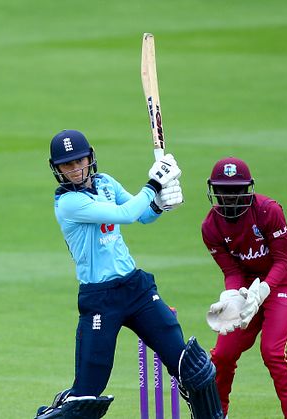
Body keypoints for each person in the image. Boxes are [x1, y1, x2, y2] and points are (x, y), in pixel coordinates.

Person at [34, 129, 223, 419]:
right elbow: (125, 215)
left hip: (136, 290)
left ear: (90, 157)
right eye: (67, 165)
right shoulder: (68, 203)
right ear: (57, 168)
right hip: (100, 300)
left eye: (79, 161)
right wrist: (154, 184)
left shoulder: (105, 182)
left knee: (192, 368)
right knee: (85, 398)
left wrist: (159, 202)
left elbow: (143, 215)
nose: (74, 169)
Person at [201, 157, 287, 419]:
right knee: (224, 354)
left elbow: (283, 260)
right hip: (247, 286)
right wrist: (230, 297)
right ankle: (218, 415)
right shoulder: (211, 227)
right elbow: (232, 271)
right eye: (224, 191)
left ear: (247, 189)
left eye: (236, 190)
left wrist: (264, 290)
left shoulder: (268, 210)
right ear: (214, 191)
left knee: (272, 351)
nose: (230, 198)